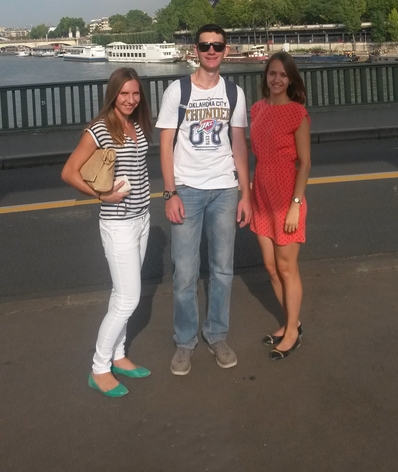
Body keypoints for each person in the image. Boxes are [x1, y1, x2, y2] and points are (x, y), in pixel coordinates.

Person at [156, 24, 252, 376]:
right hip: (187, 189)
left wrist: (246, 192)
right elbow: (165, 144)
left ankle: (216, 334)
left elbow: (238, 143)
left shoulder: (234, 93)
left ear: (226, 50)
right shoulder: (177, 91)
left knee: (223, 269)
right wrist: (170, 192)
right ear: (195, 50)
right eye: (205, 45)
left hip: (225, 188)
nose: (211, 51)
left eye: (218, 45)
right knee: (184, 272)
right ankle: (185, 341)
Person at [61, 67, 152, 397]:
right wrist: (101, 195)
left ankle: (118, 354)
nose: (130, 99)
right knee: (128, 299)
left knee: (121, 293)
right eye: (124, 93)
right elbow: (69, 172)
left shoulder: (136, 125)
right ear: (113, 94)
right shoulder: (99, 129)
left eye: (135, 93)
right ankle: (99, 368)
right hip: (118, 223)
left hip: (141, 218)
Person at [250, 52, 311, 360]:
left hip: (287, 197)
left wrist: (295, 205)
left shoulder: (297, 113)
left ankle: (291, 334)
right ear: (266, 76)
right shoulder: (257, 109)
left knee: (287, 269)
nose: (277, 79)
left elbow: (305, 163)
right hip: (261, 195)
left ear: (291, 80)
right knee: (271, 267)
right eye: (272, 73)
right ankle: (291, 322)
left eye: (283, 75)